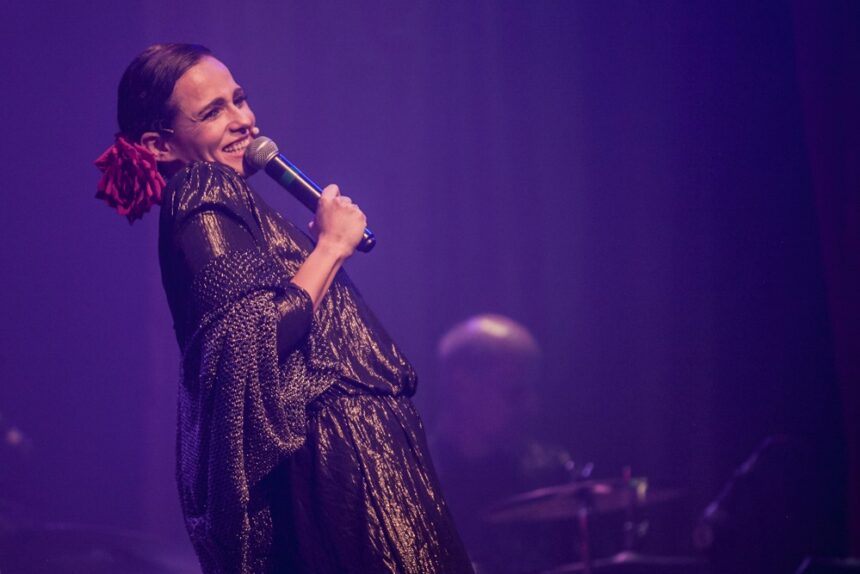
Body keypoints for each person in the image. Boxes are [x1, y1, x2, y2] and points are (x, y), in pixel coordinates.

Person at [95, 43, 472, 574]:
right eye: (213, 112)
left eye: (240, 99)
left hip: (358, 460)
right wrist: (331, 249)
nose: (243, 121)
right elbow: (254, 339)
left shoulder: (231, 201)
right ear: (159, 145)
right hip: (341, 469)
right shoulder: (203, 187)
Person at [429, 314, 573, 572]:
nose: (531, 406)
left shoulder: (550, 471)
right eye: (515, 393)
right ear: (461, 384)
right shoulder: (417, 476)